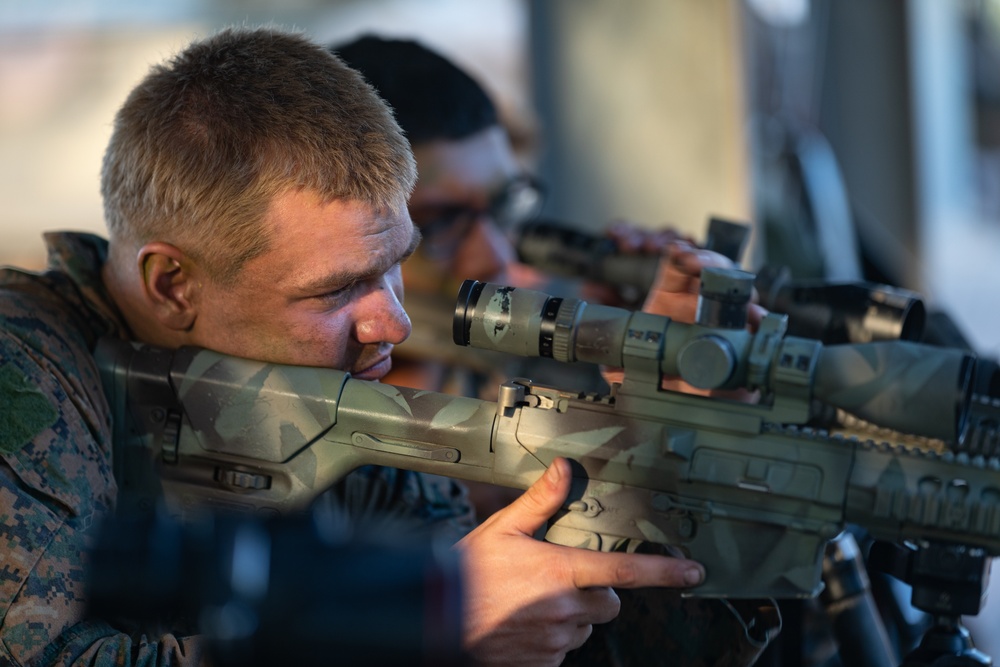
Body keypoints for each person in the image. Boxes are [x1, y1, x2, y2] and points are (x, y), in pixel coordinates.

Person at [0, 26, 710, 666]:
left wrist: (655, 461)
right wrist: (414, 623)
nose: (392, 322)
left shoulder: (309, 399)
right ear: (173, 284)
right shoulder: (23, 372)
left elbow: (541, 624)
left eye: (395, 261)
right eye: (336, 290)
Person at [331, 34, 781, 667]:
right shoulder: (274, 419)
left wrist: (661, 412)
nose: (496, 257)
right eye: (441, 221)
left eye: (502, 207)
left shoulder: (534, 381)